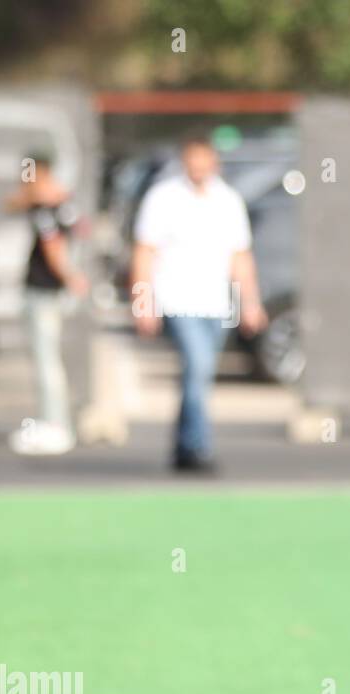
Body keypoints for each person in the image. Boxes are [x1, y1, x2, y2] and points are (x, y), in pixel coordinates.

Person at [131, 134, 265, 472]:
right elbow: (144, 252)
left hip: (216, 305)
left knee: (197, 376)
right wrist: (142, 303)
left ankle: (180, 448)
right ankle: (198, 446)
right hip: (177, 300)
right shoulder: (163, 197)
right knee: (199, 366)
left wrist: (250, 302)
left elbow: (240, 257)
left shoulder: (228, 200)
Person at [5, 154, 90, 456]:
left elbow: (54, 247)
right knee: (52, 359)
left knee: (46, 361)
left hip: (44, 291)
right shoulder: (61, 204)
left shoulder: (49, 208)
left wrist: (69, 276)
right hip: (57, 292)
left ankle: (55, 424)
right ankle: (55, 421)